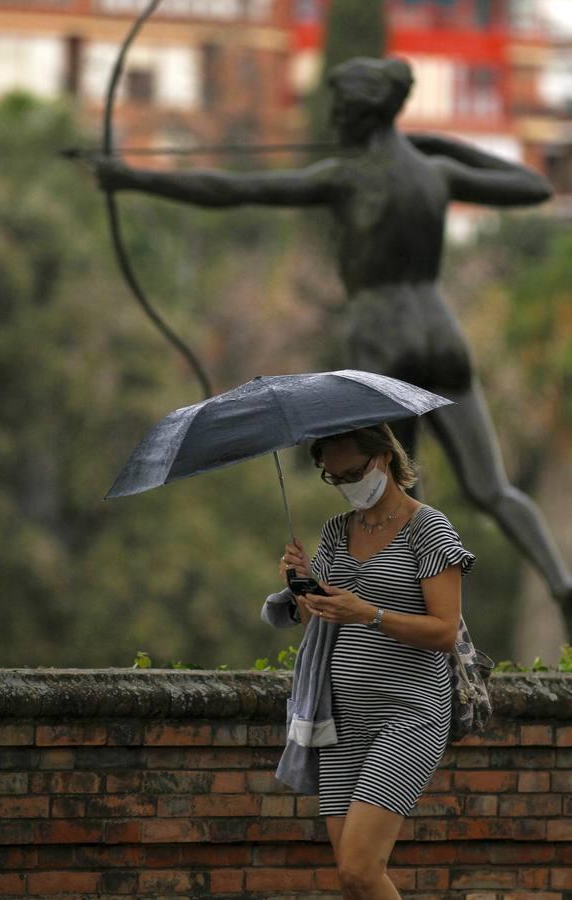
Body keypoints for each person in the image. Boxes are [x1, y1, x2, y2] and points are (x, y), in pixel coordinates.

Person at [94, 56, 572, 613]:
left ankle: (406, 615)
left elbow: (232, 190)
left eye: (343, 108)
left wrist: (131, 177)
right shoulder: (431, 172)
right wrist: (434, 145)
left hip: (381, 337)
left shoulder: (346, 177)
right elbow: (532, 184)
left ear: (366, 113)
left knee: (397, 492)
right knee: (491, 489)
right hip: (441, 334)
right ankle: (562, 583)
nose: (335, 118)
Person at [266, 423, 474, 900]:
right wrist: (302, 583)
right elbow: (316, 618)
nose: (345, 485)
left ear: (384, 458)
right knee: (351, 877)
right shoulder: (338, 530)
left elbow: (444, 631)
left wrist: (370, 613)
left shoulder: (428, 528)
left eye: (353, 473)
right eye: (333, 478)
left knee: (361, 868)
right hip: (341, 718)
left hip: (408, 714)